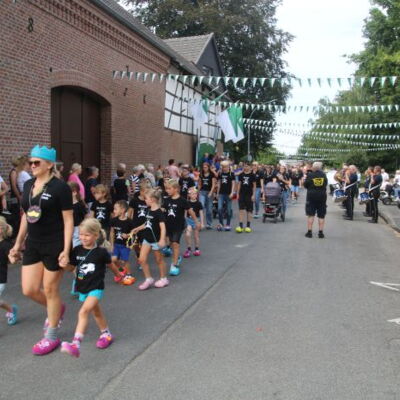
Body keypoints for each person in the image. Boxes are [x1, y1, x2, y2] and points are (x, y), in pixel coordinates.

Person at [9, 145, 73, 355]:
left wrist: (66, 249)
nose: (32, 165)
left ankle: (51, 336)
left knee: (51, 289)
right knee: (29, 289)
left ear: (49, 165)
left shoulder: (60, 188)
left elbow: (68, 220)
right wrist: (18, 243)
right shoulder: (28, 184)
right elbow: (27, 216)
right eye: (31, 162)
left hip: (54, 243)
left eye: (37, 162)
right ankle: (56, 308)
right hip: (34, 243)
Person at [60, 218, 114, 358]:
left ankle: (75, 344)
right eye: (81, 234)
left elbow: (111, 265)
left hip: (96, 288)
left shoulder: (101, 252)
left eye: (87, 235)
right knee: (96, 312)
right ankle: (106, 334)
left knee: (83, 312)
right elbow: (71, 268)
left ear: (96, 235)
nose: (83, 237)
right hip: (83, 287)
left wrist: (120, 275)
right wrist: (64, 265)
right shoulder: (77, 250)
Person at [132, 188, 169, 290]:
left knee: (159, 260)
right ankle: (148, 279)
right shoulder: (149, 210)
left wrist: (162, 239)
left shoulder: (159, 212)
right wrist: (138, 228)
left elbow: (163, 227)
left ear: (152, 199)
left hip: (156, 240)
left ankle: (163, 279)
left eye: (146, 198)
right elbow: (147, 223)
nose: (145, 200)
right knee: (141, 259)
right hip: (147, 239)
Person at [164, 179, 200, 276]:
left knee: (175, 244)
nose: (167, 190)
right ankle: (177, 257)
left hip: (178, 226)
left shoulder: (182, 200)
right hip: (168, 226)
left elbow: (190, 211)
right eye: (166, 189)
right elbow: (162, 211)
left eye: (169, 189)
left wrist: (196, 221)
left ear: (176, 189)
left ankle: (174, 264)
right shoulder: (166, 200)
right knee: (171, 243)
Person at [110, 200, 136, 286]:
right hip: (116, 244)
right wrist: (112, 244)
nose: (114, 211)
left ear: (122, 210)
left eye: (115, 209)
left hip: (125, 245)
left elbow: (133, 232)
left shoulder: (129, 222)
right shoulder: (113, 220)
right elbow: (112, 232)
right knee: (113, 259)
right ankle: (121, 270)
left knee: (125, 260)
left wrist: (128, 235)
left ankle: (129, 275)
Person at [0, 216, 18, 326]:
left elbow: (12, 260)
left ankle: (11, 310)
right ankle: (11, 310)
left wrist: (14, 257)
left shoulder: (6, 245)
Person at [304, 161, 327, 238]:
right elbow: (325, 184)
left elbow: (305, 185)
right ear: (320, 168)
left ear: (313, 167)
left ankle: (309, 232)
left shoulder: (310, 175)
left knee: (311, 214)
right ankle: (321, 233)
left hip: (311, 197)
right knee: (321, 215)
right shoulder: (323, 175)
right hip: (322, 197)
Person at [184, 187, 204, 258]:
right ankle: (189, 248)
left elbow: (201, 213)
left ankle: (197, 249)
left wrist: (202, 223)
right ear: (189, 195)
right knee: (187, 234)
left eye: (195, 194)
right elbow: (185, 213)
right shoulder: (187, 203)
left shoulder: (199, 203)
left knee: (196, 236)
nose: (194, 195)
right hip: (188, 220)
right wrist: (184, 221)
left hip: (196, 221)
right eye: (192, 194)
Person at [236, 162, 256, 233]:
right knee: (241, 210)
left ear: (250, 167)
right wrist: (237, 193)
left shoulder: (252, 175)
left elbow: (254, 186)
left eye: (247, 166)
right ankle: (240, 226)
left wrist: (253, 195)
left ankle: (248, 226)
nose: (245, 167)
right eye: (244, 166)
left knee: (249, 210)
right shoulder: (241, 175)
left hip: (249, 194)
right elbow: (239, 184)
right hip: (242, 194)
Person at [217, 160, 235, 231]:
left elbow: (233, 184)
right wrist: (217, 193)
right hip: (221, 193)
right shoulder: (220, 173)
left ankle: (228, 224)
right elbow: (219, 183)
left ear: (228, 167)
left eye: (226, 167)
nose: (224, 168)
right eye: (223, 167)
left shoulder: (231, 174)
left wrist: (232, 192)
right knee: (219, 208)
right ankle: (221, 223)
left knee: (228, 210)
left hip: (228, 194)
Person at [198, 162, 216, 230]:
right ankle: (200, 223)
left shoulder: (211, 174)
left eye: (205, 167)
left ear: (208, 168)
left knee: (209, 209)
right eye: (203, 167)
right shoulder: (201, 174)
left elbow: (213, 185)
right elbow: (199, 184)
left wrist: (211, 192)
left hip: (209, 192)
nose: (204, 168)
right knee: (201, 206)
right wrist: (198, 192)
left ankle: (209, 224)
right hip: (202, 192)